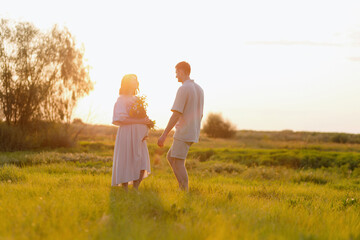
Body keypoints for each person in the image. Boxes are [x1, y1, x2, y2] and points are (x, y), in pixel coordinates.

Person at [157, 61, 204, 191]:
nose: (176, 75)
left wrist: (164, 135)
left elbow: (176, 114)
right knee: (171, 157)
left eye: (177, 72)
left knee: (178, 162)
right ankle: (182, 187)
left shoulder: (183, 88)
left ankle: (184, 189)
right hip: (193, 131)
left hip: (184, 132)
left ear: (182, 71)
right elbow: (200, 114)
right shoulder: (199, 89)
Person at [111, 74, 152, 190]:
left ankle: (135, 188)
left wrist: (146, 128)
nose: (134, 82)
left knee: (142, 160)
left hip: (139, 137)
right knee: (126, 160)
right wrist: (139, 120)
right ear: (126, 83)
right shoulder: (121, 100)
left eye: (135, 80)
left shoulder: (138, 99)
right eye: (132, 80)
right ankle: (124, 189)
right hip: (126, 134)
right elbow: (120, 119)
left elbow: (144, 116)